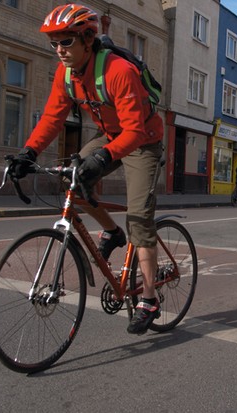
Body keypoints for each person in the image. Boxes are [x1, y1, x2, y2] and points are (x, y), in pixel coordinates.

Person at [9, 4, 163, 335]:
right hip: (110, 135)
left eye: (66, 42)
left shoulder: (119, 71)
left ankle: (149, 298)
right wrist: (28, 151)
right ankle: (111, 232)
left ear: (88, 38)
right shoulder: (67, 75)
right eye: (55, 44)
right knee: (72, 179)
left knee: (139, 218)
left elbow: (135, 131)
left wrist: (104, 157)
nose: (59, 50)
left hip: (143, 140)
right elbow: (52, 117)